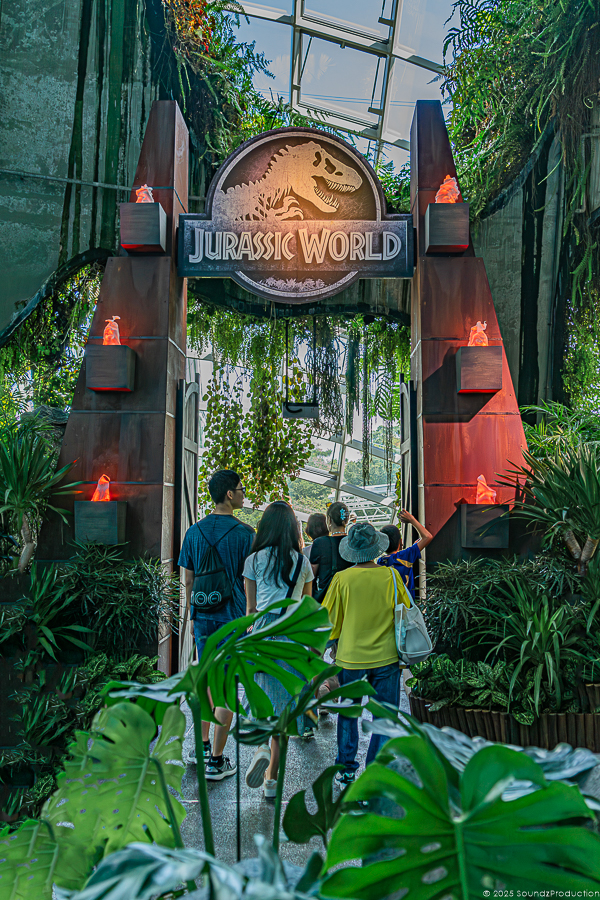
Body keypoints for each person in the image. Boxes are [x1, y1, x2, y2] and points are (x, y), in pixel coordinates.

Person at [178, 469, 254, 780]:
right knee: (226, 686)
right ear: (229, 494)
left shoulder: (193, 532)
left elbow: (187, 580)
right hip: (232, 617)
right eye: (241, 489)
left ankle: (202, 746)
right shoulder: (245, 534)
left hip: (202, 617)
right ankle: (216, 761)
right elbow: (250, 580)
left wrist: (193, 613)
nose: (244, 494)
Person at [323, 522, 411, 786]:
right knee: (384, 718)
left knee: (349, 712)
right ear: (375, 548)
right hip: (387, 659)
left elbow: (329, 622)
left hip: (350, 659)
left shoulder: (342, 579)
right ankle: (373, 774)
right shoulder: (392, 576)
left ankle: (347, 771)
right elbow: (406, 611)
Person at [243, 501, 314, 799]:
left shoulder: (254, 560)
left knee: (260, 696)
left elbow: (250, 610)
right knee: (284, 709)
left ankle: (260, 745)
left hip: (262, 633)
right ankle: (271, 781)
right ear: (293, 529)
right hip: (293, 637)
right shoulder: (302, 562)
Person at [378, 509, 433, 599]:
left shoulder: (380, 562)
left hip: (389, 604)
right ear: (401, 542)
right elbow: (427, 537)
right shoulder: (406, 555)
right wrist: (411, 519)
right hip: (407, 605)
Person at [311, 501, 353, 602]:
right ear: (347, 520)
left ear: (329, 519)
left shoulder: (320, 543)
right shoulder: (353, 542)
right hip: (349, 598)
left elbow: (311, 575)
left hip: (327, 600)